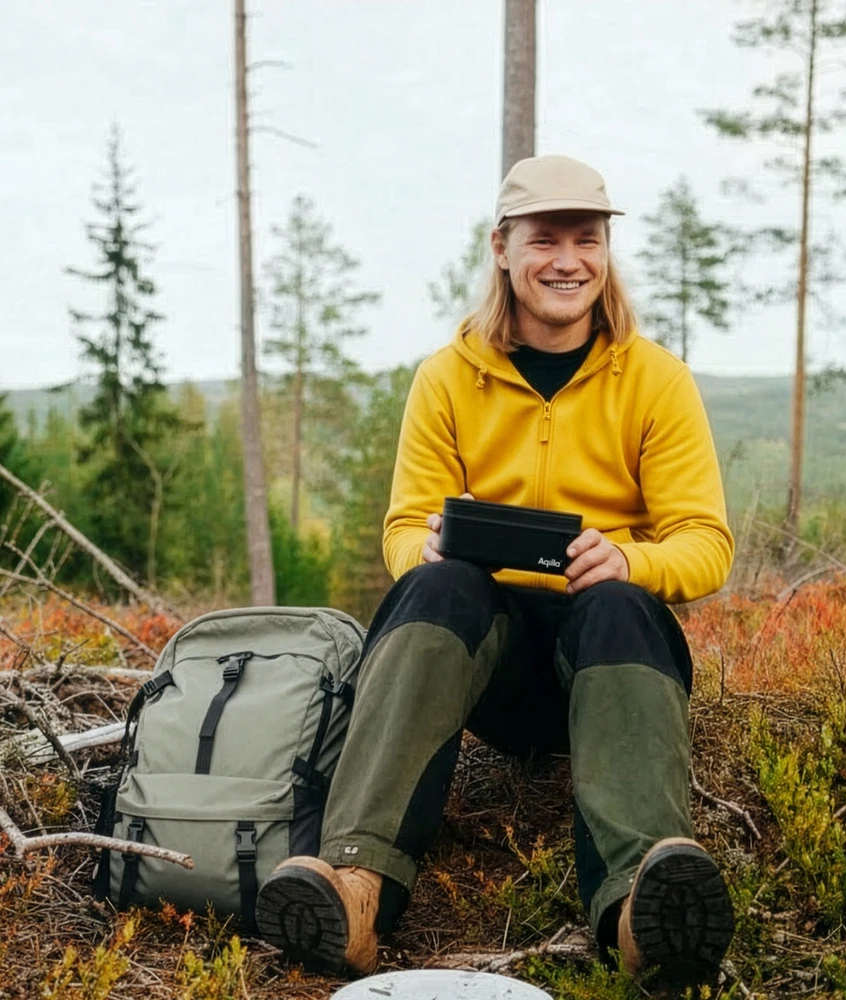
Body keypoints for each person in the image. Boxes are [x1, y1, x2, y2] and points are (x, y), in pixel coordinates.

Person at [255, 154, 737, 990]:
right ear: (502, 249)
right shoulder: (447, 379)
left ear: (606, 252)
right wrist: (429, 549)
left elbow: (706, 543)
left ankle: (638, 916)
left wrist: (630, 558)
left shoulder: (657, 381)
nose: (567, 260)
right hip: (488, 670)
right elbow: (405, 525)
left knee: (618, 601)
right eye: (544, 239)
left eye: (587, 239)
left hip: (609, 664)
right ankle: (357, 890)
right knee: (439, 584)